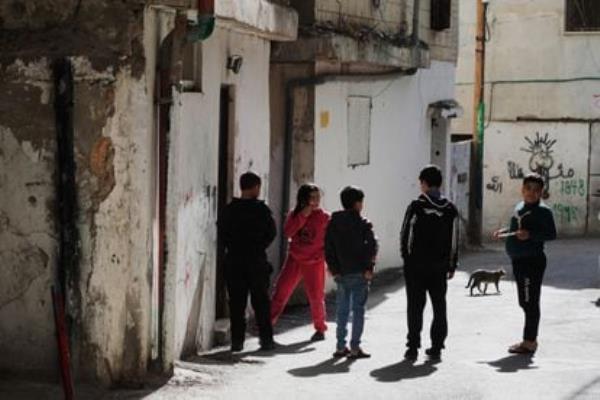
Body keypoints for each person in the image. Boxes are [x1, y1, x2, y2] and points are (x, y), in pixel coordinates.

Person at [493, 173, 557, 354]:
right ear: (522, 189)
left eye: (536, 190)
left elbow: (551, 234)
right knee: (524, 301)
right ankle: (529, 339)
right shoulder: (520, 206)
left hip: (532, 261)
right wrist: (504, 232)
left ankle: (529, 341)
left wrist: (531, 235)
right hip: (518, 260)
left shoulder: (544, 211)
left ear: (541, 193)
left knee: (530, 302)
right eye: (528, 189)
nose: (532, 193)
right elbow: (516, 229)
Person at [400, 165, 459, 361]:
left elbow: (405, 234)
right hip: (439, 267)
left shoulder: (417, 206)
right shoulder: (450, 209)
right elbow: (454, 239)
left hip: (416, 266)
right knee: (439, 306)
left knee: (415, 307)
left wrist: (407, 260)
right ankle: (437, 347)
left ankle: (413, 347)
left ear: (423, 183)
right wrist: (451, 264)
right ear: (440, 183)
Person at [218, 172, 277, 352]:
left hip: (234, 260)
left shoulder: (229, 210)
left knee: (236, 303)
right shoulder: (262, 210)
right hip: (256, 260)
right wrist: (259, 246)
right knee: (261, 302)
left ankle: (237, 342)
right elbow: (271, 233)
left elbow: (222, 234)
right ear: (255, 187)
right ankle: (266, 340)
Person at [271, 184, 330, 341]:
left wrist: (329, 261)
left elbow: (331, 241)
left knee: (316, 296)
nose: (316, 201)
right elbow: (288, 231)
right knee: (281, 290)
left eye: (318, 197)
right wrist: (302, 216)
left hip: (315, 261)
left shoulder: (324, 217)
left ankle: (320, 328)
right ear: (304, 199)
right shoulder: (295, 214)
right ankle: (267, 323)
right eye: (312, 198)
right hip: (295, 259)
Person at [325, 186, 378, 359]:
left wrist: (334, 269)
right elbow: (371, 247)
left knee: (341, 310)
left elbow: (328, 248)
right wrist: (369, 268)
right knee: (358, 310)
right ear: (357, 204)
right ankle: (355, 347)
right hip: (360, 273)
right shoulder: (363, 224)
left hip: (341, 273)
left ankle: (340, 346)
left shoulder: (333, 223)